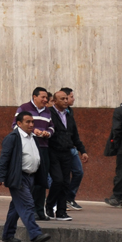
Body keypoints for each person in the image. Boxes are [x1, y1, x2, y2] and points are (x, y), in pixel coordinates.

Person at [0, 112, 51, 242]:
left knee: (16, 207)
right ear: (19, 123)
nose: (31, 124)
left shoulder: (33, 137)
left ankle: (8, 235)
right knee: (27, 204)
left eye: (32, 122)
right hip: (18, 177)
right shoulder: (13, 138)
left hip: (31, 177)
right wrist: (0, 176)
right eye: (28, 122)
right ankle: (35, 234)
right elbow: (4, 157)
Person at [17, 88, 53, 221]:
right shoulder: (24, 108)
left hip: (43, 148)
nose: (45, 100)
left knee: (42, 180)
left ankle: (40, 210)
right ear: (34, 97)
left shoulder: (47, 111)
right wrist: (33, 131)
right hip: (29, 148)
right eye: (43, 97)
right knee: (30, 181)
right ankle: (30, 211)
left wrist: (48, 133)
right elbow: (15, 126)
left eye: (46, 98)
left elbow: (52, 127)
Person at [45, 89, 76, 220]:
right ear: (54, 101)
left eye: (66, 98)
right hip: (53, 151)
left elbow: (74, 134)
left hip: (66, 152)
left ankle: (61, 212)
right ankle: (49, 206)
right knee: (58, 180)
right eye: (62, 99)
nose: (66, 101)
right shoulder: (49, 113)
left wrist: (82, 150)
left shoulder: (69, 115)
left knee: (65, 182)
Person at [62, 88, 88, 210]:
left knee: (78, 172)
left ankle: (69, 198)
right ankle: (59, 200)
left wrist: (82, 150)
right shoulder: (54, 113)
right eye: (71, 97)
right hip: (61, 150)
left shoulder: (69, 112)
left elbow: (74, 134)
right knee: (60, 177)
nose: (73, 99)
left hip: (71, 148)